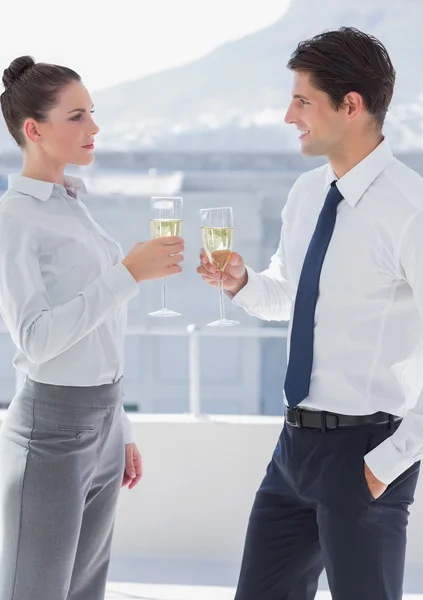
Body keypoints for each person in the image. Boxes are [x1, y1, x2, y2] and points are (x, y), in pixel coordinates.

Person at [198, 27, 423, 600]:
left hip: (367, 452)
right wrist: (245, 283)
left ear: (351, 106)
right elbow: (291, 297)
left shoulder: (410, 211)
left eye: (302, 100)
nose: (287, 115)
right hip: (293, 450)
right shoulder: (306, 194)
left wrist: (388, 463)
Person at [0, 56, 184, 600]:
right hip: (51, 430)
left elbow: (101, 334)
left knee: (85, 592)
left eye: (93, 114)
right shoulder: (14, 219)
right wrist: (127, 273)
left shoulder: (74, 205)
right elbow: (33, 341)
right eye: (77, 116)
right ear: (34, 130)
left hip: (102, 424)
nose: (94, 128)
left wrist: (118, 425)